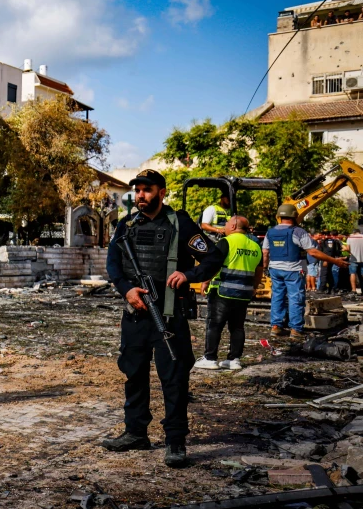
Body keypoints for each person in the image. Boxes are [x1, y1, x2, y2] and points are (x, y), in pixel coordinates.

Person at [103, 169, 224, 468]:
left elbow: (212, 257)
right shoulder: (127, 224)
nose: (141, 195)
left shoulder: (180, 223)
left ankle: (175, 441)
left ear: (162, 191)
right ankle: (135, 433)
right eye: (138, 190)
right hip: (135, 314)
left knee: (174, 378)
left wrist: (189, 275)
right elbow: (113, 262)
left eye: (147, 189)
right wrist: (126, 289)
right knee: (134, 373)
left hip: (170, 315)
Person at [263, 205, 348, 340]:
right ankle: (296, 330)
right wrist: (335, 261)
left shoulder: (270, 232)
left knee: (277, 297)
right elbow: (313, 251)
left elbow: (265, 252)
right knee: (295, 298)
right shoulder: (298, 232)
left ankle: (276, 326)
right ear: (295, 216)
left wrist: (265, 267)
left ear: (279, 216)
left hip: (275, 269)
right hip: (294, 270)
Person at [195, 216, 263, 371]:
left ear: (233, 226)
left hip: (223, 291)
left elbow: (214, 264)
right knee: (237, 327)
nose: (224, 227)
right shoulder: (255, 245)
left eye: (226, 224)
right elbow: (259, 270)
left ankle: (210, 358)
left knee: (215, 324)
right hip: (244, 293)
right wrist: (254, 287)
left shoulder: (226, 242)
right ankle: (234, 359)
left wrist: (205, 281)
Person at [347, 227, 363, 294]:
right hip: (362, 259)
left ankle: (354, 290)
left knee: (352, 274)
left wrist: (350, 252)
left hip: (353, 259)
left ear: (353, 232)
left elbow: (348, 248)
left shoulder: (350, 238)